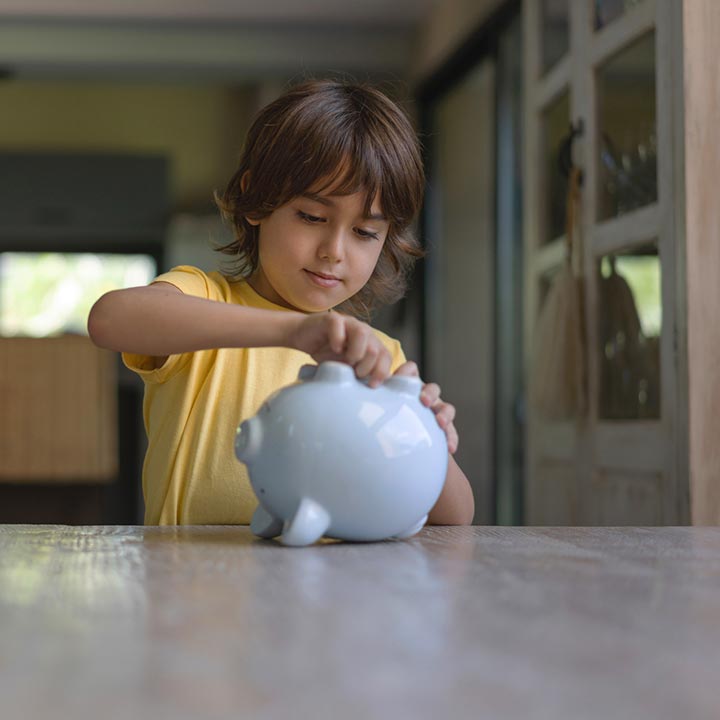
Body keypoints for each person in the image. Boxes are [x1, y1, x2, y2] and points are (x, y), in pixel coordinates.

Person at [88, 79, 474, 527]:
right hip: (191, 588)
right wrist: (292, 331)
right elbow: (109, 318)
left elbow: (457, 516)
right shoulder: (204, 300)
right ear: (257, 200)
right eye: (312, 217)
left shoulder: (378, 359)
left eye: (365, 232)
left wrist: (424, 432)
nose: (334, 250)